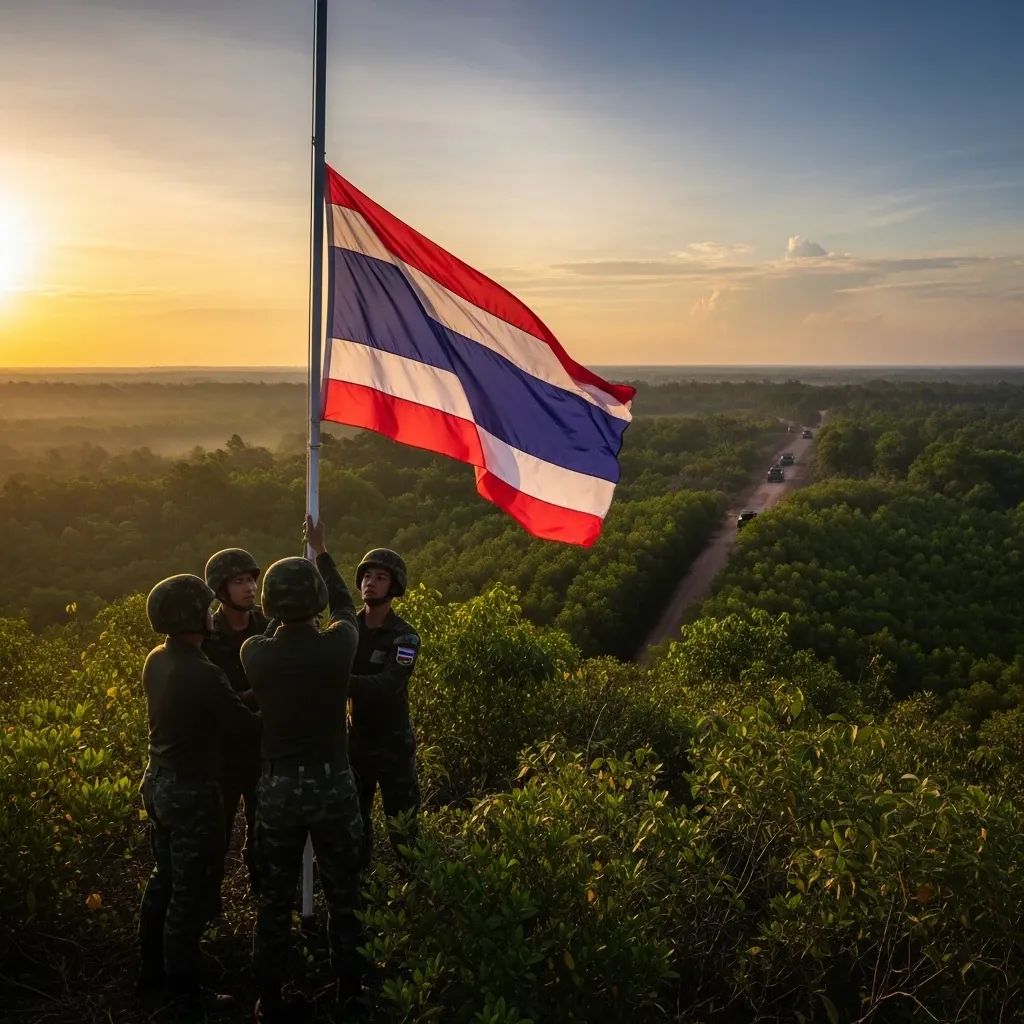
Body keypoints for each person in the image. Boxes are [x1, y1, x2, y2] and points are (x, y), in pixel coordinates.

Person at [241, 517, 364, 1022]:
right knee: (344, 891)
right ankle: (351, 993)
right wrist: (324, 556)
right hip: (333, 782)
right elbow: (345, 609)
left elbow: (274, 634)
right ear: (314, 604)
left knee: (274, 895)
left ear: (270, 605)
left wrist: (284, 606)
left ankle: (267, 998)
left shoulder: (255, 653)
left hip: (278, 788)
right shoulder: (339, 647)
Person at [137, 573, 261, 1016]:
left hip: (159, 781)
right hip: (193, 792)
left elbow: (217, 704)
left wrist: (243, 695)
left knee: (163, 879)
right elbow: (242, 725)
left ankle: (151, 973)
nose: (212, 614)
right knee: (189, 898)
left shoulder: (158, 659)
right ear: (191, 615)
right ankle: (184, 993)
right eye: (205, 608)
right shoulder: (202, 671)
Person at [348, 548, 421, 868]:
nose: (370, 583)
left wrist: (336, 677)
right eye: (366, 576)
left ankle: (415, 894)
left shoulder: (405, 636)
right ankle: (360, 894)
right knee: (354, 826)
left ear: (394, 587)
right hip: (355, 744)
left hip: (392, 745)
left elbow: (388, 685)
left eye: (380, 577)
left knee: (403, 829)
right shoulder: (347, 627)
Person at [203, 547, 267, 898]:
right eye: (239, 581)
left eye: (251, 581)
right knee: (215, 835)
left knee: (264, 834)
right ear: (221, 588)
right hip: (222, 753)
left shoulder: (267, 626)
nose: (248, 588)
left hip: (261, 749)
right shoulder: (207, 635)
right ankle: (210, 904)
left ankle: (261, 897)